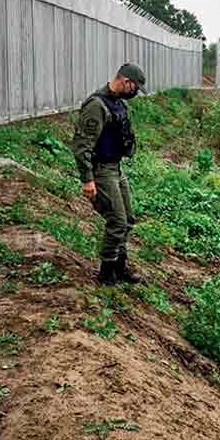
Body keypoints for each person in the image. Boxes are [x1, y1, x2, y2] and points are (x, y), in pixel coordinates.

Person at [71, 63, 146, 285]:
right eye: (134, 88)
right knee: (117, 221)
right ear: (125, 81)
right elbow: (82, 146)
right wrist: (87, 179)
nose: (134, 93)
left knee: (128, 219)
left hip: (116, 168)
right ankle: (106, 273)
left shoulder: (117, 103)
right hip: (102, 171)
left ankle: (120, 267)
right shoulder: (96, 106)